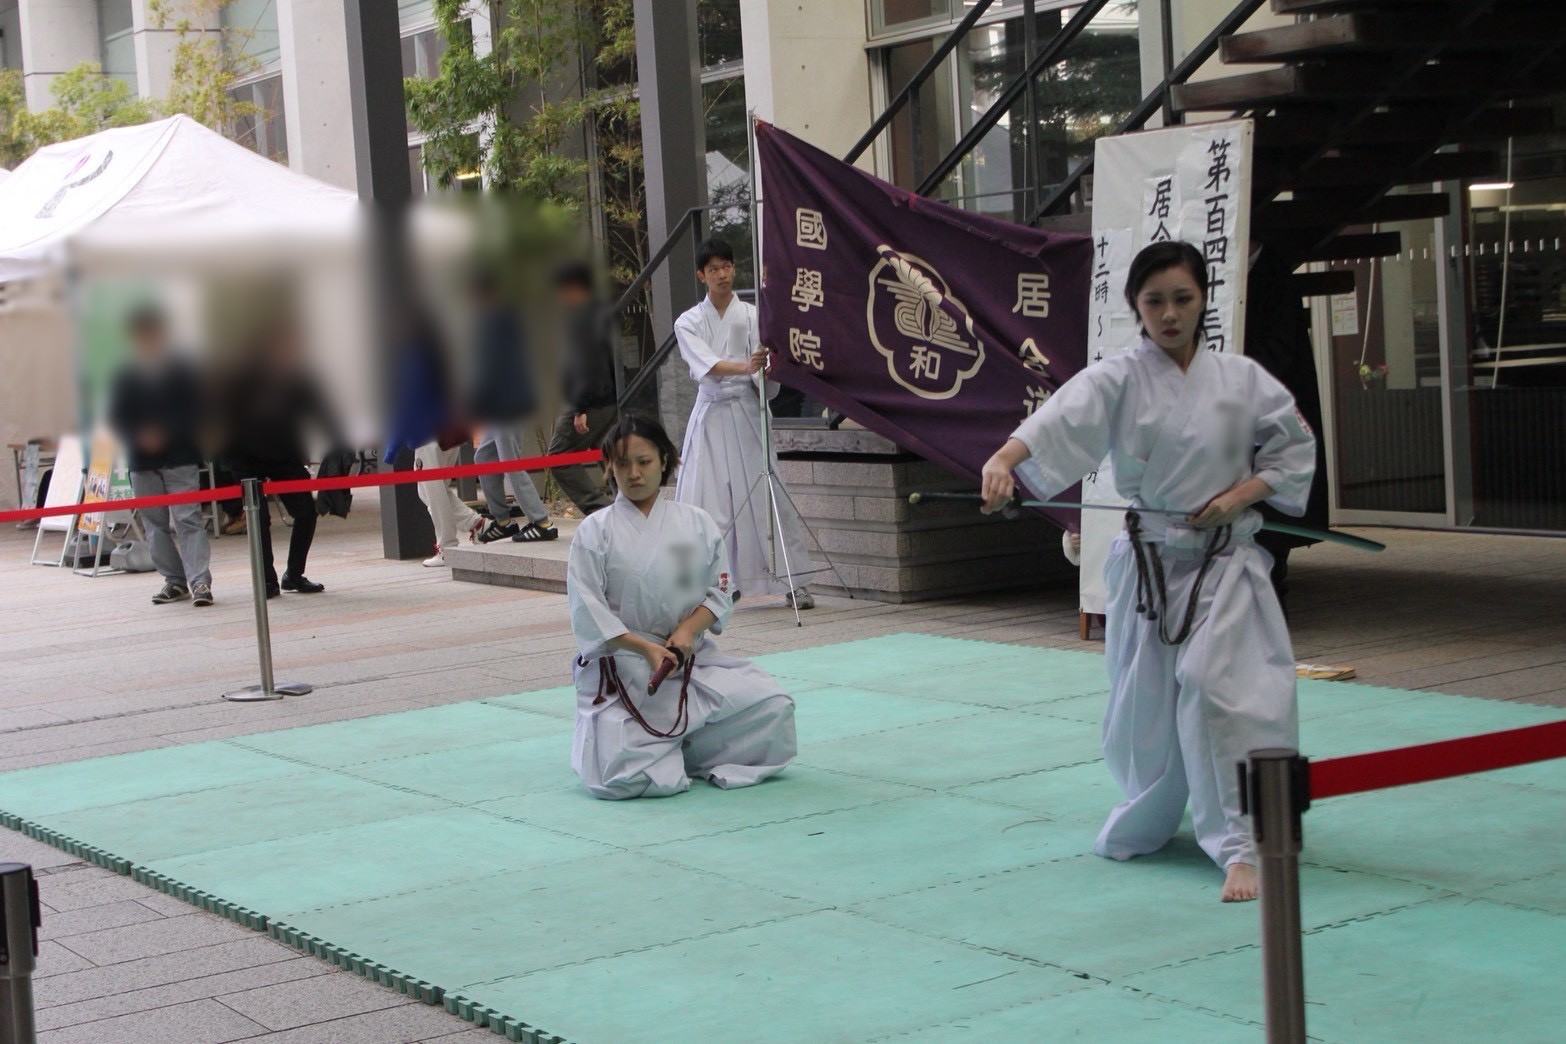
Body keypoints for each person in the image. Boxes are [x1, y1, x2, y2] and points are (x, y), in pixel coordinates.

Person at [979, 241, 1316, 903]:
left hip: (1224, 562)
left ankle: (1245, 845)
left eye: (1182, 299)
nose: (1169, 314)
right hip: (1151, 565)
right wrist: (1002, 460)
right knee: (1146, 710)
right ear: (1135, 305)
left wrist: (1239, 496)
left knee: (1226, 694)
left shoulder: (1242, 379)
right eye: (1154, 300)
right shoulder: (1119, 378)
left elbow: (1292, 451)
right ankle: (1155, 812)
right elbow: (1054, 422)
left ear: (1203, 301)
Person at [567, 413, 797, 799]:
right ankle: (668, 748)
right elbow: (587, 608)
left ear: (665, 460)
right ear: (608, 468)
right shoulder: (595, 531)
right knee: (632, 780)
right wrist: (644, 649)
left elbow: (719, 592)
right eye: (622, 464)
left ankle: (686, 747)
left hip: (689, 660)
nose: (634, 474)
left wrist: (689, 630)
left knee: (773, 707)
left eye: (644, 462)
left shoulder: (696, 523)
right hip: (625, 669)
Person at [673, 238, 815, 608]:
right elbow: (705, 365)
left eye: (727, 266)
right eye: (714, 269)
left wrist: (765, 368)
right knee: (709, 501)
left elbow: (760, 370)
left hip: (748, 413)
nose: (722, 274)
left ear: (734, 269)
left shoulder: (752, 316)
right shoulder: (689, 321)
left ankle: (793, 581)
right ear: (701, 275)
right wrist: (746, 366)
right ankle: (716, 582)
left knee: (766, 496)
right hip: (711, 416)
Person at [219, 318, 343, 598]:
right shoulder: (244, 377)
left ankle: (294, 574)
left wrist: (339, 439)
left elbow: (321, 411)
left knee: (306, 512)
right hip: (246, 457)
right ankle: (267, 580)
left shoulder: (300, 376)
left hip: (284, 455)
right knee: (259, 518)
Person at [1244, 241, 1330, 616]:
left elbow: (1280, 347)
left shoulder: (1273, 274)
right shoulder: (1223, 273)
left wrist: (1237, 379)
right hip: (1236, 416)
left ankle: (1271, 600)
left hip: (1271, 409)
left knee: (1271, 519)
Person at [107, 305, 214, 607]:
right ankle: (174, 580)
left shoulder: (183, 369)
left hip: (180, 455)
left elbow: (196, 410)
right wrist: (139, 436)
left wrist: (165, 432)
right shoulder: (126, 374)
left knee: (187, 518)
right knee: (153, 523)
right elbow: (117, 416)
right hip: (142, 460)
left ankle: (200, 581)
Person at [465, 268, 558, 545]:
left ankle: (542, 522)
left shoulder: (498, 320)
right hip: (503, 402)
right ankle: (503, 520)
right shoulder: (500, 318)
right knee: (485, 457)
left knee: (510, 462)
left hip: (508, 403)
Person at [545, 260, 617, 516]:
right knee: (609, 454)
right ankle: (629, 507)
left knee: (559, 458)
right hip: (609, 399)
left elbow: (584, 366)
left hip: (591, 400)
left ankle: (601, 511)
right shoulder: (600, 312)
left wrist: (580, 408)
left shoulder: (581, 318)